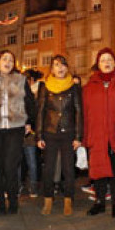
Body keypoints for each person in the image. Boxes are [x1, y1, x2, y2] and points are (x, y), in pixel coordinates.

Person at [83, 48, 115, 218]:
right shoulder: (89, 86)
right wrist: (85, 138)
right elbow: (85, 113)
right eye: (103, 60)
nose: (106, 62)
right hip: (97, 134)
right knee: (98, 170)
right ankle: (99, 202)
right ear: (98, 64)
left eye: (109, 59)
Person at [0, 50, 35, 215]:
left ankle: (13, 201)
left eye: (11, 60)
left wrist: (29, 122)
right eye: (4, 59)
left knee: (11, 166)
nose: (8, 62)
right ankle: (0, 202)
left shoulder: (21, 80)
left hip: (15, 128)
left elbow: (30, 101)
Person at [36, 55, 83, 216]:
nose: (60, 68)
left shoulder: (74, 87)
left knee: (69, 169)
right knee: (48, 169)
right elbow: (41, 111)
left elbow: (78, 112)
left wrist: (78, 136)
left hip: (68, 133)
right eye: (56, 65)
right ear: (52, 69)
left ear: (67, 68)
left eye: (63, 65)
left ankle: (68, 200)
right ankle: (48, 200)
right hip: (49, 133)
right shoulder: (45, 86)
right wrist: (39, 136)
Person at [21, 68, 43, 197]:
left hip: (30, 133)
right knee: (24, 161)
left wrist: (30, 125)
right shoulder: (31, 95)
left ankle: (33, 186)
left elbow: (35, 114)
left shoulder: (33, 95)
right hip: (19, 132)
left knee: (31, 160)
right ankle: (24, 185)